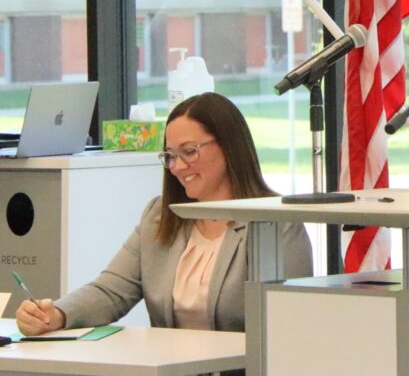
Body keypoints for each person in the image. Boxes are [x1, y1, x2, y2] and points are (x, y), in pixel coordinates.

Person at [16, 92, 312, 335]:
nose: (178, 167)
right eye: (170, 156)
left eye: (190, 151)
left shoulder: (277, 222)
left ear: (229, 146)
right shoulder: (159, 215)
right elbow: (112, 292)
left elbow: (289, 324)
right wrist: (57, 313)